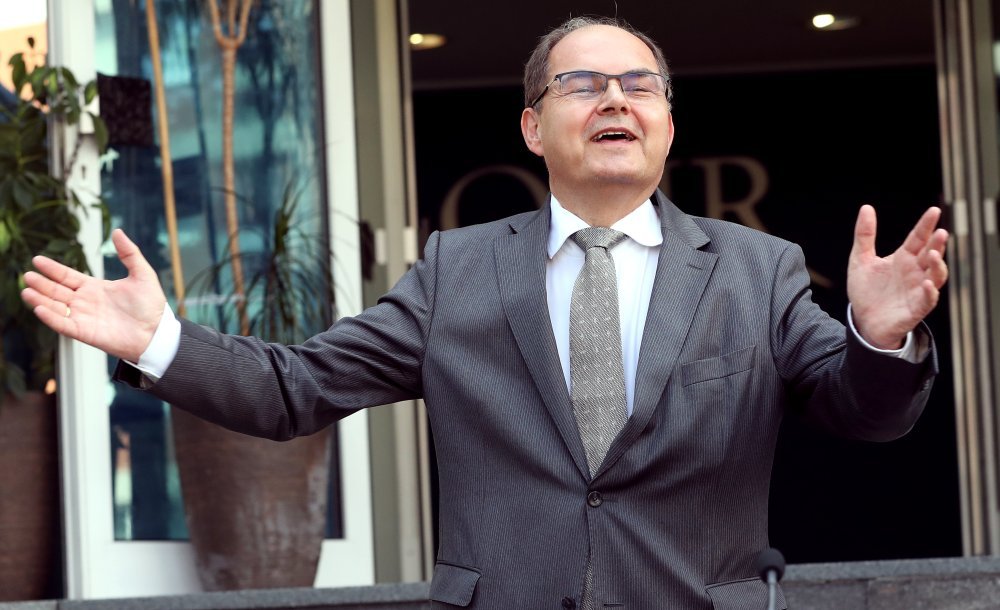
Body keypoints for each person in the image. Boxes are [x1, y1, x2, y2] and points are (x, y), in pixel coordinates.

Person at [22, 16, 948, 610]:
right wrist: (158, 340)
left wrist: (879, 337)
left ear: (668, 124)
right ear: (532, 127)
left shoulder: (754, 268)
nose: (615, 98)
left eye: (639, 85)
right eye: (582, 84)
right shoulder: (457, 271)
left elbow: (861, 411)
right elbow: (295, 389)